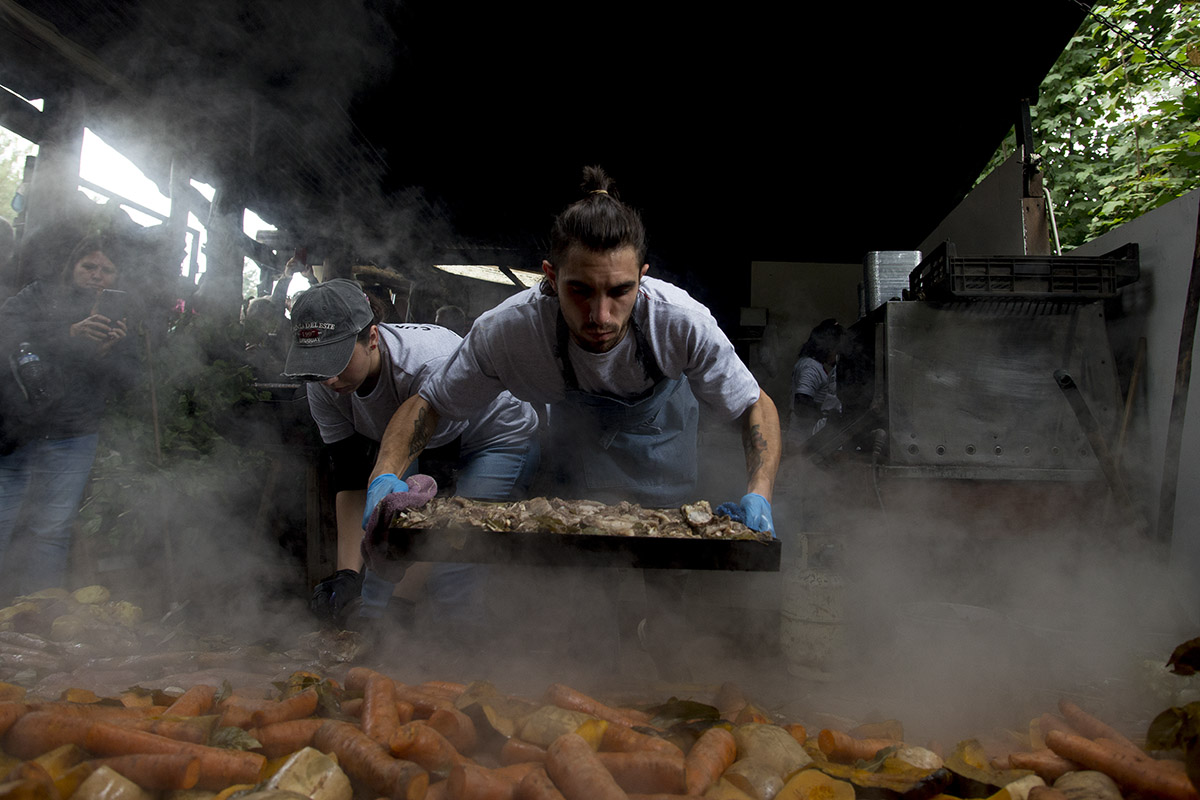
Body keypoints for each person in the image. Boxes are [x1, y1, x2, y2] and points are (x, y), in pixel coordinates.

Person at [367, 166, 780, 527]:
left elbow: (752, 404)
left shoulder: (679, 322)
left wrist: (759, 493)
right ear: (549, 277)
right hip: (576, 463)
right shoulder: (510, 332)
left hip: (661, 456)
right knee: (576, 572)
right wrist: (384, 475)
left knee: (659, 582)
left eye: (620, 290)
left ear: (642, 276)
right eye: (580, 290)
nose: (600, 315)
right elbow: (430, 403)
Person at [283, 278, 539, 630]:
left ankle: (466, 659)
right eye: (318, 364)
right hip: (416, 444)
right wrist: (347, 575)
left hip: (493, 437)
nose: (328, 379)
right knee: (392, 543)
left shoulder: (423, 364)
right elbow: (353, 477)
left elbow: (435, 504)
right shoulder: (326, 383)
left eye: (337, 361)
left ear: (372, 338)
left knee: (454, 556)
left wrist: (392, 606)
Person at [0, 234, 136, 597]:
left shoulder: (119, 315)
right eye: (89, 266)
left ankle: (39, 613)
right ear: (72, 267)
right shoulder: (39, 295)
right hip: (17, 429)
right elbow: (6, 328)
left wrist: (110, 352)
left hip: (74, 433)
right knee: (1, 519)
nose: (97, 275)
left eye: (107, 270)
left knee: (52, 528)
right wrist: (68, 333)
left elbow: (129, 381)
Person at [788, 318, 844, 443]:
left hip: (804, 436)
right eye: (837, 348)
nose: (838, 353)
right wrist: (826, 414)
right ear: (828, 346)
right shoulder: (811, 367)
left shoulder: (811, 364)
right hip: (803, 438)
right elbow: (801, 403)